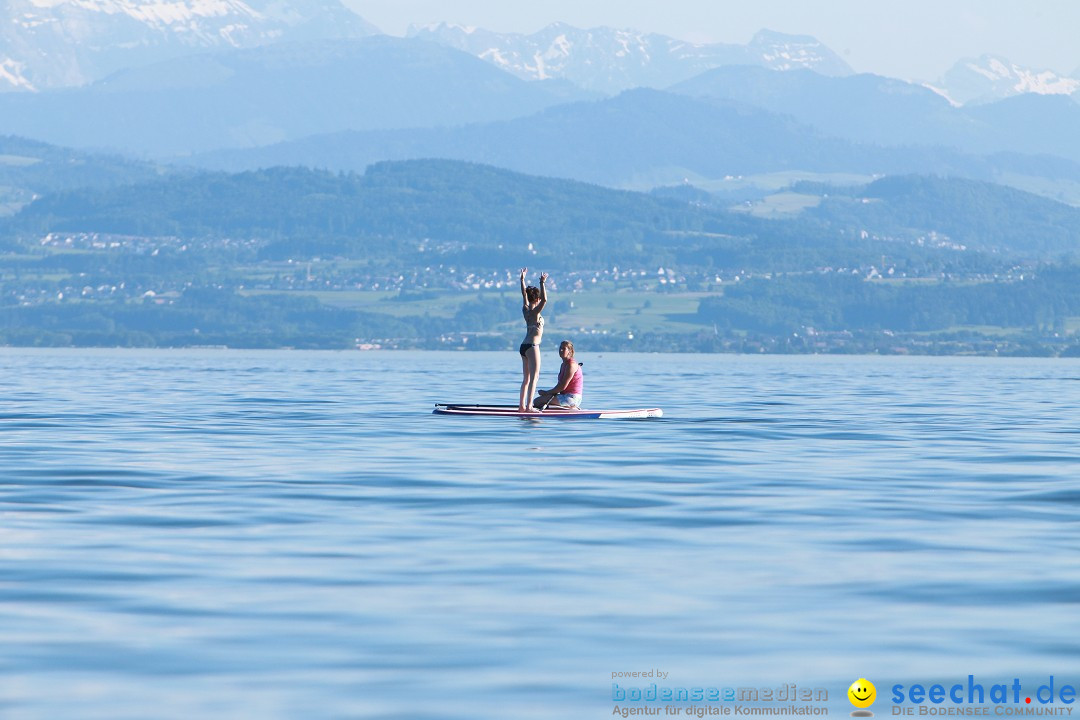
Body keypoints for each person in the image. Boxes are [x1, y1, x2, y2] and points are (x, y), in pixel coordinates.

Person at [518, 267, 548, 411]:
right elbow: (545, 300)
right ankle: (529, 407)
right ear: (536, 298)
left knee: (526, 379)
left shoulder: (526, 310)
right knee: (534, 378)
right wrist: (542, 282)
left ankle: (521, 406)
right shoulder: (535, 313)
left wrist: (522, 280)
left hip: (523, 346)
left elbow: (524, 295)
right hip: (532, 346)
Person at [535, 340, 583, 410]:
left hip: (572, 398)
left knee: (537, 401)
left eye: (564, 349)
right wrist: (549, 394)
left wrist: (546, 393)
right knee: (538, 401)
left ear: (570, 351)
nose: (561, 350)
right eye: (560, 348)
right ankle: (562, 407)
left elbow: (562, 386)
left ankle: (570, 408)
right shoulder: (563, 364)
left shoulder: (571, 365)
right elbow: (560, 387)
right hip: (565, 396)